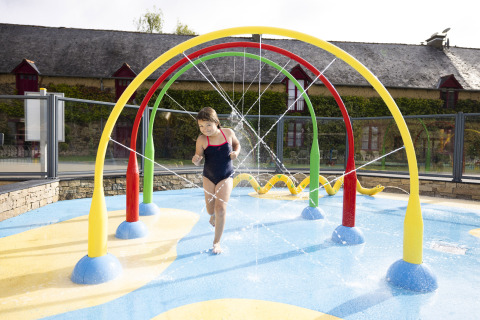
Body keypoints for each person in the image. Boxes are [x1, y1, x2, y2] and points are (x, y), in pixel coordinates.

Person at [192, 107, 241, 254]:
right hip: (209, 176)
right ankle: (212, 216)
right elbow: (198, 158)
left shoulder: (228, 133)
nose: (205, 129)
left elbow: (237, 144)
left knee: (220, 209)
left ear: (216, 122)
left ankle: (216, 242)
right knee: (210, 210)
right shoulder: (202, 139)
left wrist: (235, 153)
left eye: (208, 125)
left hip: (226, 175)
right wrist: (196, 160)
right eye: (201, 126)